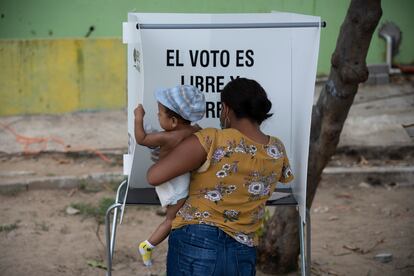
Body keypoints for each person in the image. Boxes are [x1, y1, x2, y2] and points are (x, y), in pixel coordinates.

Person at [146, 77, 294, 275]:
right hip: (243, 248)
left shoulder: (212, 139)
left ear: (225, 109)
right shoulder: (276, 149)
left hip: (197, 241)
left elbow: (154, 176)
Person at [134, 84, 205, 267]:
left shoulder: (167, 137)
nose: (158, 116)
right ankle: (150, 244)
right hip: (176, 180)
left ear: (173, 121)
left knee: (171, 219)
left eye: (160, 114)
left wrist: (138, 118)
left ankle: (147, 245)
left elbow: (141, 139)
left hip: (172, 183)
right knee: (174, 218)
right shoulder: (196, 131)